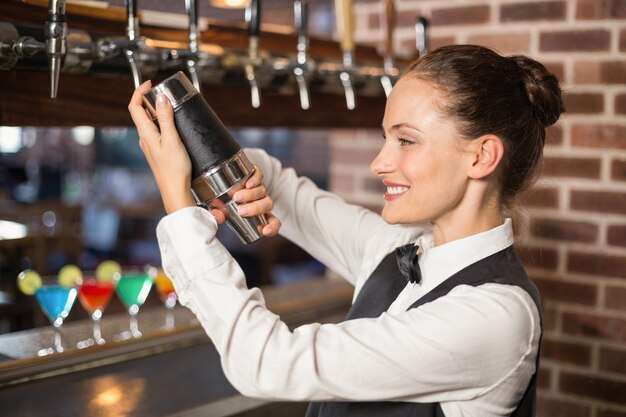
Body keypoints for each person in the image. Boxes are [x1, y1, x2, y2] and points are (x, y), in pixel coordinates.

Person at [128, 44, 563, 417]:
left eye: (405, 140)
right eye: (385, 138)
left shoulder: (496, 316)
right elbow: (280, 184)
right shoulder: (397, 248)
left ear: (482, 157)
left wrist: (179, 205)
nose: (379, 163)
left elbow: (266, 363)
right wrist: (230, 169)